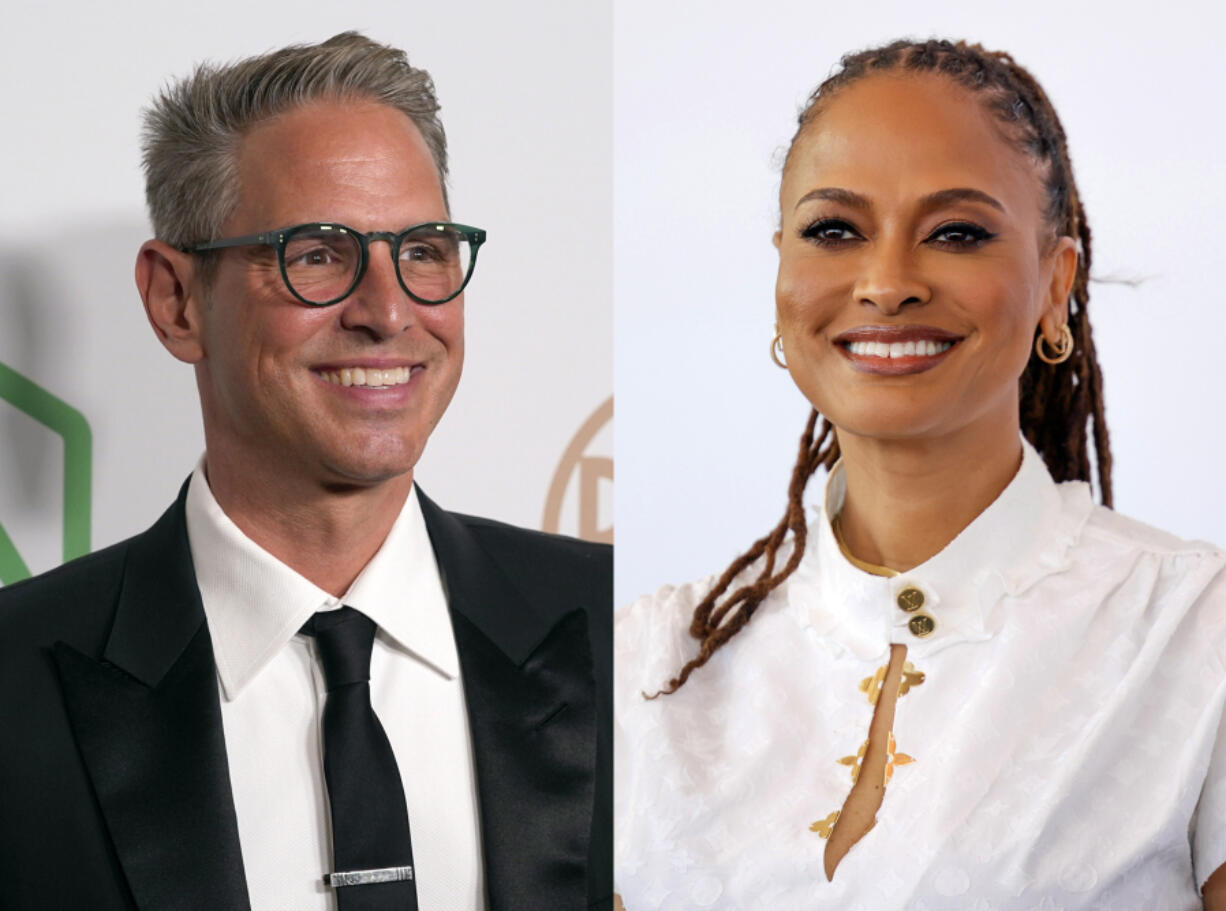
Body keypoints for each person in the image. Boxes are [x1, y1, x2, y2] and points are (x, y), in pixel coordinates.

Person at [0, 33, 611, 911]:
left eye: (426, 249)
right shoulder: (16, 683)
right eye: (318, 254)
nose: (390, 311)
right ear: (177, 301)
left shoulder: (618, 630)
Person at [614, 39, 1226, 910]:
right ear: (782, 271)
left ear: (1056, 285)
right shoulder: (651, 665)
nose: (887, 282)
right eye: (834, 230)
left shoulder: (1195, 637)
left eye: (957, 233)